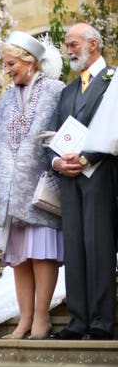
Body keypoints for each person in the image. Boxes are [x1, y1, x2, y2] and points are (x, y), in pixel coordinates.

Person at [0, 31, 65, 340]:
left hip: (41, 187)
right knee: (19, 258)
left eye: (12, 63)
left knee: (41, 253)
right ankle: (24, 319)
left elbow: (67, 131)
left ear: (30, 61)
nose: (8, 69)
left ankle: (42, 318)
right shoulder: (6, 97)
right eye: (5, 65)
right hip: (10, 191)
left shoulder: (56, 91)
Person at [47, 23, 117, 341]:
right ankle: (77, 321)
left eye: (73, 44)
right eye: (67, 44)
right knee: (73, 247)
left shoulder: (113, 80)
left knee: (99, 246)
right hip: (69, 179)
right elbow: (50, 135)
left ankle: (102, 322)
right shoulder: (68, 91)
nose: (69, 50)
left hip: (102, 176)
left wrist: (88, 156)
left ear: (93, 44)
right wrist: (56, 160)